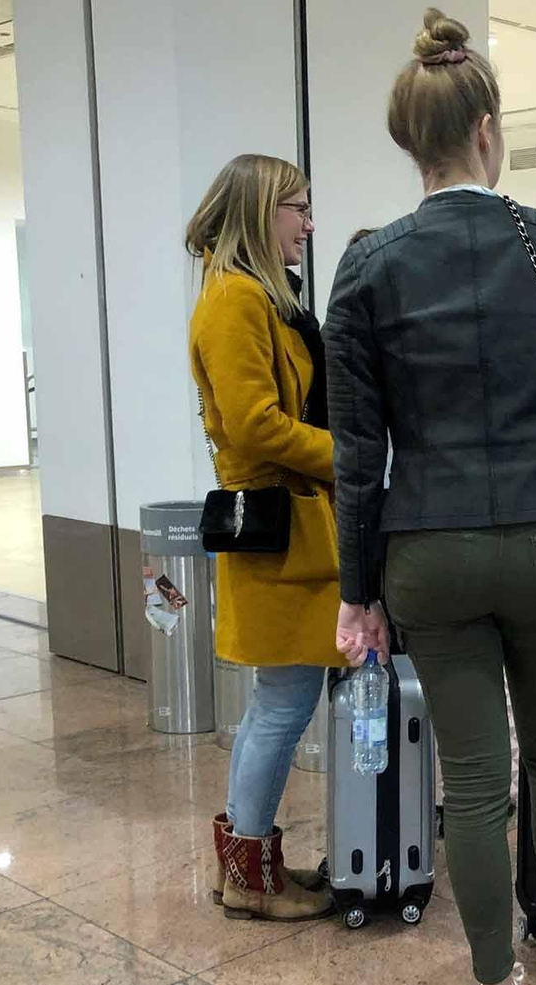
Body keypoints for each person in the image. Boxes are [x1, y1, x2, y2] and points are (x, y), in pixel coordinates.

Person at [323, 10, 536, 985]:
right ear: (487, 128)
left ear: (409, 142)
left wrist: (358, 592)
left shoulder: (366, 267)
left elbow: (357, 456)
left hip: (428, 549)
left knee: (470, 781)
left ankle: (494, 982)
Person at [186, 154, 338, 922]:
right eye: (298, 208)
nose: (309, 224)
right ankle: (250, 874)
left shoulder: (250, 293)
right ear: (259, 210)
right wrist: (347, 457)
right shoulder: (237, 299)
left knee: (277, 700)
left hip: (288, 527)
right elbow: (254, 424)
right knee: (283, 701)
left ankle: (246, 866)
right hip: (282, 529)